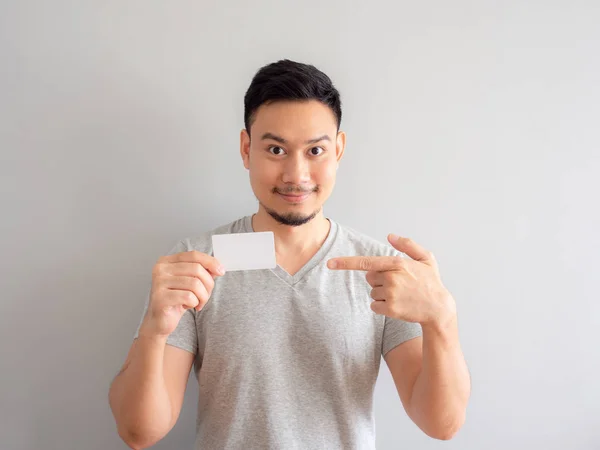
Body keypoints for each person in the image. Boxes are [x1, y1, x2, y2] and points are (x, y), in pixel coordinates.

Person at [108, 59, 471, 450]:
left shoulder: (382, 271)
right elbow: (139, 432)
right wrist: (153, 330)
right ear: (247, 149)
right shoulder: (195, 265)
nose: (296, 175)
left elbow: (441, 425)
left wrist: (442, 320)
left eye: (315, 150)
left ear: (339, 150)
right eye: (276, 149)